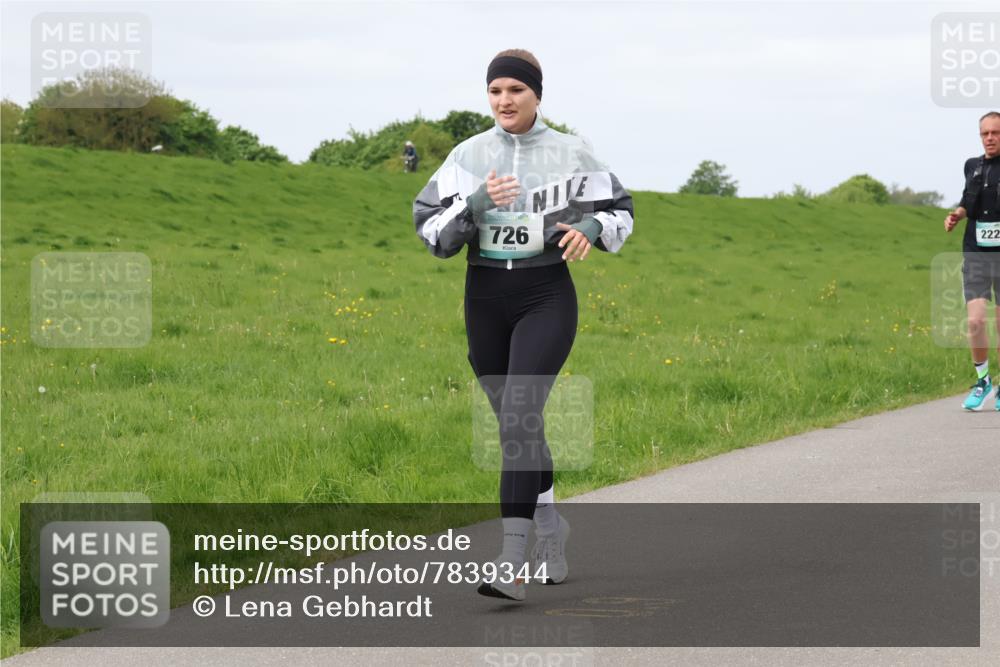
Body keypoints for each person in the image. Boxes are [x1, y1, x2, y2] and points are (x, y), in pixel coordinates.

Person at [412, 48, 634, 601]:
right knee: (519, 428)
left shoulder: (571, 151)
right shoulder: (467, 155)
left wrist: (590, 226)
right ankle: (551, 527)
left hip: (545, 294)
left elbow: (621, 210)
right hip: (484, 297)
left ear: (537, 94)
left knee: (518, 414)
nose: (504, 100)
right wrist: (475, 203)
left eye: (515, 90)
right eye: (495, 91)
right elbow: (431, 231)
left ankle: (511, 562)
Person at [945, 110, 1000, 411]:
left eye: (995, 133)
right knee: (976, 321)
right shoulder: (972, 166)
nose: (990, 138)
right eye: (985, 133)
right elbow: (968, 200)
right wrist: (957, 215)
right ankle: (983, 381)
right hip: (976, 251)